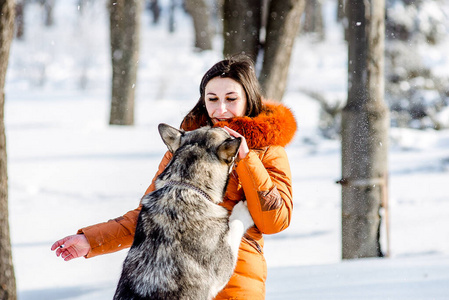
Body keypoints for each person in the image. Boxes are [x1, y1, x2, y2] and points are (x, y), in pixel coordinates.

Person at [51, 55, 297, 299]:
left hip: (237, 282)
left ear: (248, 100)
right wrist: (91, 240)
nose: (220, 109)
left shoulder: (267, 150)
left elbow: (274, 221)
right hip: (172, 285)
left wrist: (246, 159)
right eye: (212, 99)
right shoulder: (185, 145)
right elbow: (151, 216)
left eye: (231, 99)